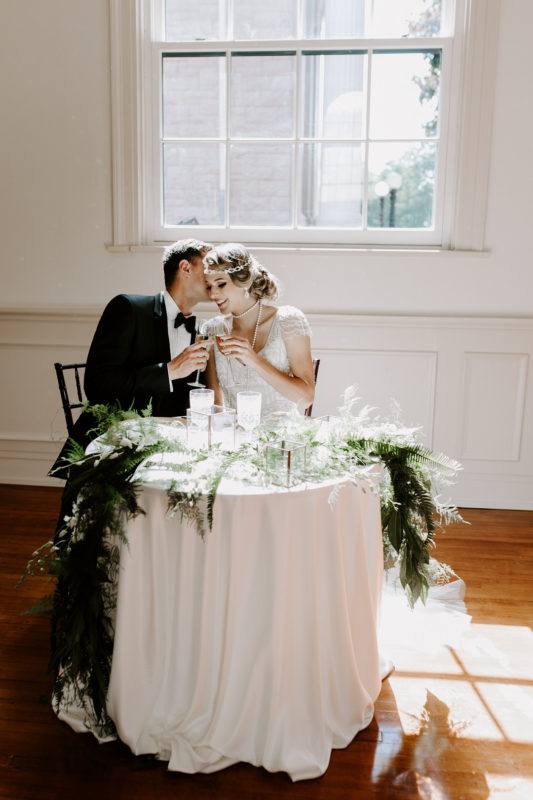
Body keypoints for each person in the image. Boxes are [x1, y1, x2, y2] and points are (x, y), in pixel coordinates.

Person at [51, 238, 212, 476]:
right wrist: (168, 371)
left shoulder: (200, 331)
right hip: (114, 446)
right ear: (186, 268)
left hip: (166, 452)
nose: (218, 274)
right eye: (210, 266)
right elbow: (97, 384)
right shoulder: (128, 308)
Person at [202, 243, 315, 416]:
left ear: (244, 281)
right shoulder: (213, 330)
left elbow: (306, 398)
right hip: (235, 438)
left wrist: (253, 360)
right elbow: (215, 406)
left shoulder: (288, 321)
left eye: (221, 284)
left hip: (282, 439)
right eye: (209, 286)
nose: (212, 294)